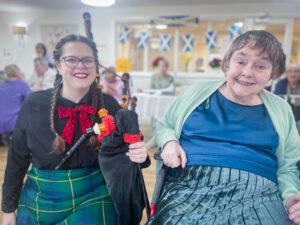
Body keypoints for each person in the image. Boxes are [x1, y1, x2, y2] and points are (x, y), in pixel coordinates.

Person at [147, 30, 300, 225]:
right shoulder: (195, 93)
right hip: (190, 185)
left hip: (260, 191)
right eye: (241, 61)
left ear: (273, 74)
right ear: (227, 62)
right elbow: (165, 125)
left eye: (260, 66)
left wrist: (291, 196)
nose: (247, 72)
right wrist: (169, 142)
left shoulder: (281, 109)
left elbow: (288, 166)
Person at [1, 34, 148, 225]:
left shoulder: (110, 105)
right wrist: (8, 209)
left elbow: (128, 154)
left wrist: (140, 154)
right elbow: (16, 159)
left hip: (96, 195)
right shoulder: (34, 104)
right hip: (42, 195)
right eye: (71, 59)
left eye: (88, 60)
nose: (80, 66)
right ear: (58, 65)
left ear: (95, 66)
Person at [0, 64, 31, 146]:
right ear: (17, 73)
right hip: (13, 125)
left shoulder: (1, 85)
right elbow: (31, 99)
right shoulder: (21, 85)